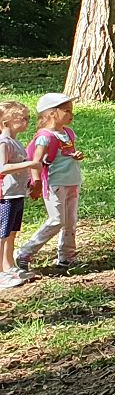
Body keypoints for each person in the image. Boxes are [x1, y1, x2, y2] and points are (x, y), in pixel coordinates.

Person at [18, 93, 84, 272]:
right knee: (56, 220)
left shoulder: (68, 133)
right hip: (55, 183)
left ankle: (67, 257)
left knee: (70, 221)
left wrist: (75, 155)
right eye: (67, 111)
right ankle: (25, 252)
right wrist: (37, 182)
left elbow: (66, 153)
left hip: (72, 181)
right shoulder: (45, 137)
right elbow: (36, 161)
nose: (71, 115)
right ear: (52, 113)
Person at [0, 101, 34, 289]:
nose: (27, 121)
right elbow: (2, 168)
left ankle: (8, 265)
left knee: (12, 232)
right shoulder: (4, 143)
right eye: (22, 118)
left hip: (17, 193)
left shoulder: (16, 142)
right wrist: (29, 164)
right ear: (6, 123)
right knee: (2, 233)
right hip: (6, 195)